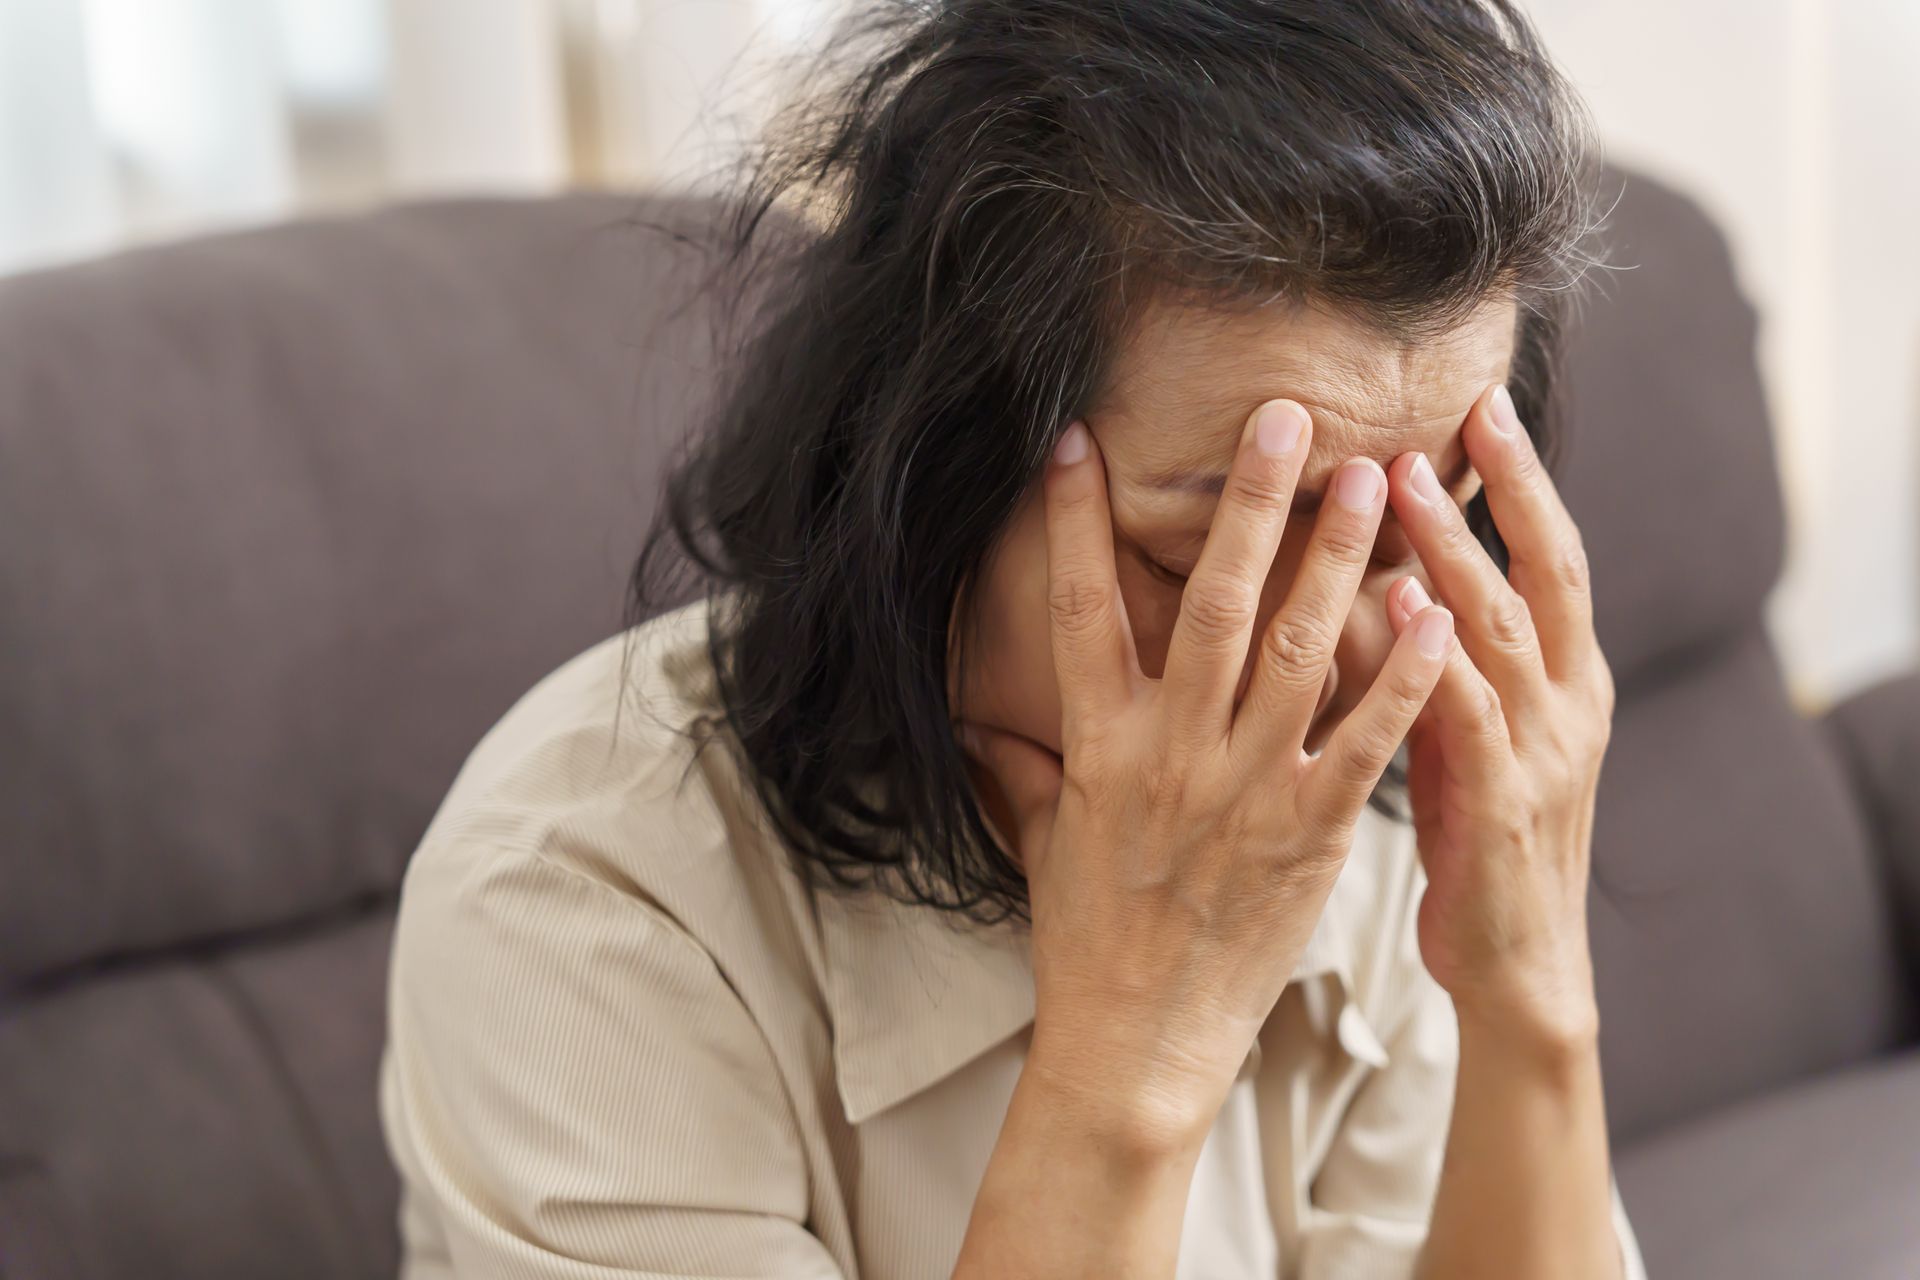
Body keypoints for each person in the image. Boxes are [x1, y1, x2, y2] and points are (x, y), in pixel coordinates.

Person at [378, 1, 1648, 1275]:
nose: (1317, 662)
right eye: (1197, 560)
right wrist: (1127, 1063)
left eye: (1399, 545)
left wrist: (1532, 999)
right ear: (926, 474)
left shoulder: (1374, 766)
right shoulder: (578, 897)